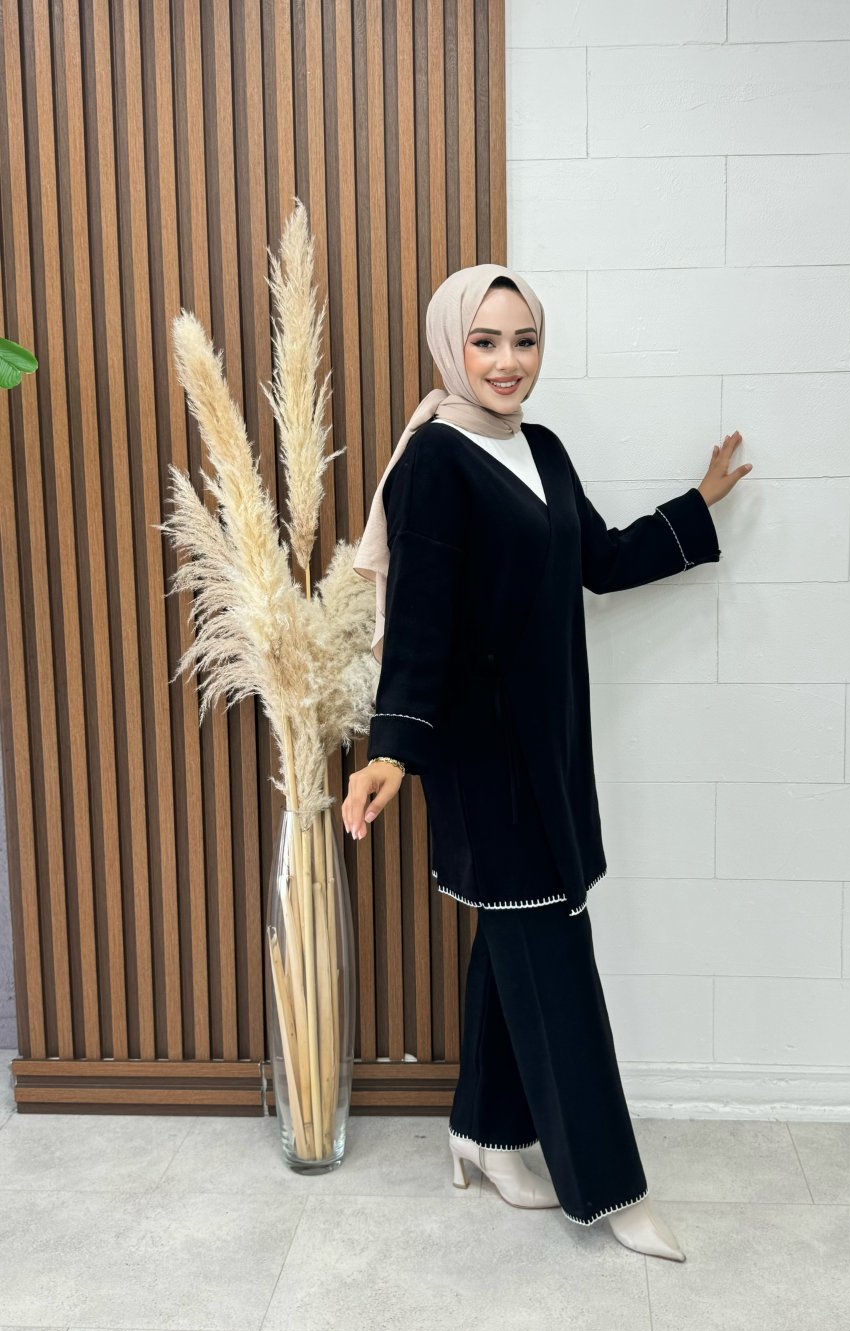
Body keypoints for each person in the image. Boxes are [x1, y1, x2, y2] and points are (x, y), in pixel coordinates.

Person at [346, 263, 751, 1261]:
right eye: (484, 341)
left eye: (523, 340)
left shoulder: (544, 448)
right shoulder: (434, 461)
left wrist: (695, 506)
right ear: (451, 346)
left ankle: (481, 1132)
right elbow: (420, 620)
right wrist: (391, 749)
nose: (506, 361)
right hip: (486, 762)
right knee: (556, 959)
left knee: (515, 940)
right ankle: (611, 1189)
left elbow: (597, 561)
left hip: (553, 745)